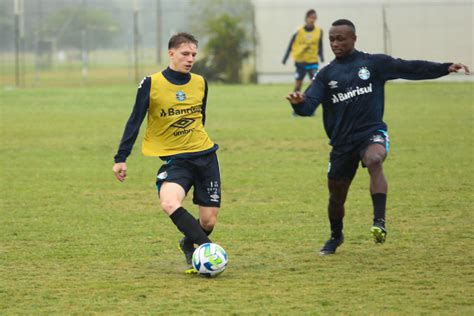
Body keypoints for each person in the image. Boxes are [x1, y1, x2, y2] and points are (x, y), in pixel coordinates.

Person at [286, 19, 470, 255]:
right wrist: (299, 103)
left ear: (354, 38)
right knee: (336, 199)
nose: (334, 43)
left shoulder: (373, 64)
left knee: (375, 159)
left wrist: (444, 67)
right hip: (342, 144)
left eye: (340, 38)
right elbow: (308, 107)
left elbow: (409, 68)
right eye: (331, 39)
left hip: (371, 133)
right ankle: (335, 237)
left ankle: (379, 222)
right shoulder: (325, 75)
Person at [113, 33, 221, 273]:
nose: (190, 58)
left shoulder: (201, 82)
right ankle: (209, 251)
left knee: (208, 221)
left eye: (193, 54)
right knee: (169, 202)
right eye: (185, 53)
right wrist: (121, 158)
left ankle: (188, 242)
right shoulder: (151, 83)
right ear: (171, 53)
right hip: (176, 160)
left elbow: (200, 116)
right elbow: (135, 120)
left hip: (206, 157)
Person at [282, 9, 324, 93]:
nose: (312, 20)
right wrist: (285, 57)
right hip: (300, 61)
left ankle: (308, 98)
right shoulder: (298, 31)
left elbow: (320, 44)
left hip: (312, 61)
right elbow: (291, 44)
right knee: (298, 84)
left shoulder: (319, 31)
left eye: (314, 18)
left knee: (315, 81)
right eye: (311, 17)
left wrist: (321, 55)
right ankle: (295, 101)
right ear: (306, 19)